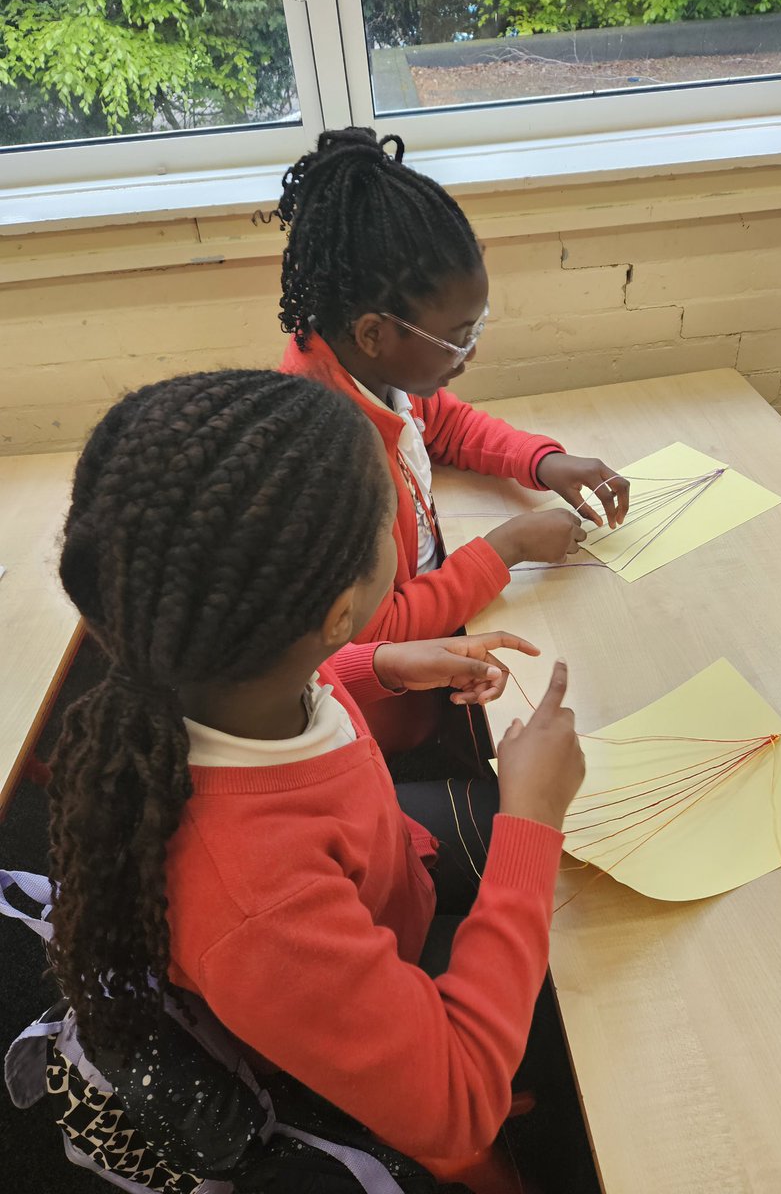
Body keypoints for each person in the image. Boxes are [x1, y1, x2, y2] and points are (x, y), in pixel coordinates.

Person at [47, 369, 585, 1171]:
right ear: (335, 610)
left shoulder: (230, 672)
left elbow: (311, 687)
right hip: (373, 1050)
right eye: (384, 521)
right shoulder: (257, 899)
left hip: (382, 891)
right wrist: (532, 819)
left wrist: (384, 666)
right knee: (584, 992)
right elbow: (456, 1104)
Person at [273, 126, 630, 645]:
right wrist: (505, 548)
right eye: (458, 338)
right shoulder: (327, 463)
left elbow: (446, 424)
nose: (471, 352)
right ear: (375, 333)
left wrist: (542, 462)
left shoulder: (373, 372)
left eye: (476, 329)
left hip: (439, 620)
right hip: (411, 685)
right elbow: (376, 635)